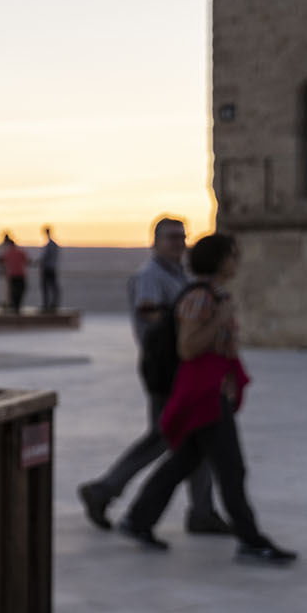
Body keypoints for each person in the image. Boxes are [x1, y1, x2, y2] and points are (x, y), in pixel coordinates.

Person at [113, 232, 295, 563]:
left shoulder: (214, 295)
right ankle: (251, 539)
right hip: (203, 395)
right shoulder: (202, 298)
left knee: (185, 460)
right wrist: (220, 320)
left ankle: (138, 519)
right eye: (233, 255)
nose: (237, 261)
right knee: (231, 468)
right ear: (221, 260)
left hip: (211, 392)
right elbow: (188, 347)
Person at [77, 218, 229, 535]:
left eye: (182, 237)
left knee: (196, 437)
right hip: (165, 369)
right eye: (171, 237)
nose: (178, 243)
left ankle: (202, 511)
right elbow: (151, 312)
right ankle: (105, 489)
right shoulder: (150, 276)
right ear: (155, 241)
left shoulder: (180, 276)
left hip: (184, 368)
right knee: (164, 435)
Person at [0, 233, 28, 314]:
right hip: (20, 274)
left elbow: (0, 259)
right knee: (20, 290)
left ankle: (15, 305)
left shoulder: (8, 253)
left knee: (13, 291)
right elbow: (27, 261)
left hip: (12, 275)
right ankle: (17, 306)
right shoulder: (20, 252)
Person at [39, 226, 62, 313]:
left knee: (47, 287)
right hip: (52, 268)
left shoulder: (50, 245)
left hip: (48, 268)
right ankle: (52, 304)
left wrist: (39, 262)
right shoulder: (53, 244)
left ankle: (48, 305)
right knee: (52, 287)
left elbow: (45, 257)